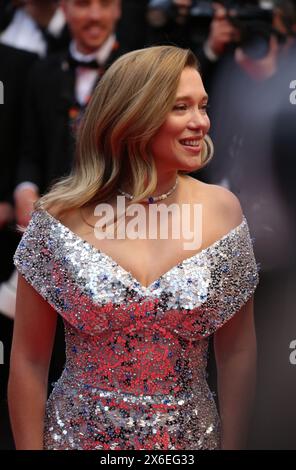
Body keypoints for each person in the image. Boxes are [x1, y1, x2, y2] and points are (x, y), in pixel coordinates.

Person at [8, 45, 259, 450]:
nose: (201, 122)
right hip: (75, 440)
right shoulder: (58, 218)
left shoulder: (222, 211)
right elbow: (28, 361)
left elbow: (237, 354)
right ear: (133, 114)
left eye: (203, 106)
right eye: (181, 107)